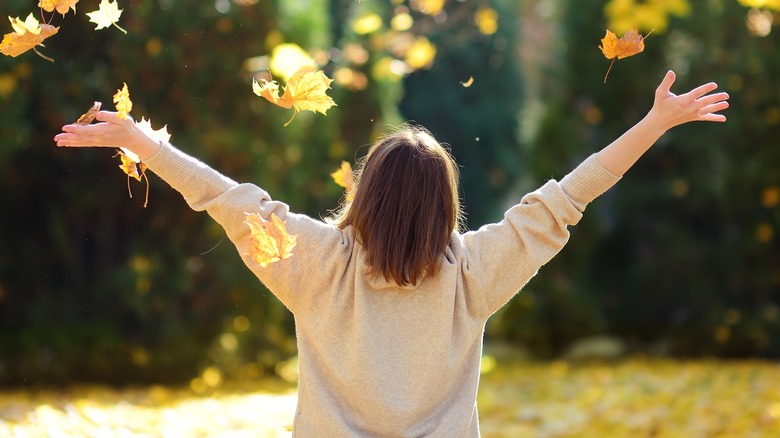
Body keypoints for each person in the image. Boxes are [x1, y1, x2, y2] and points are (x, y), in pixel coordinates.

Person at [54, 70, 728, 437]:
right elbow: (571, 195)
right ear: (445, 203)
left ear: (367, 192)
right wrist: (654, 121)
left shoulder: (314, 260)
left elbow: (225, 198)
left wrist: (143, 143)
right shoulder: (474, 271)